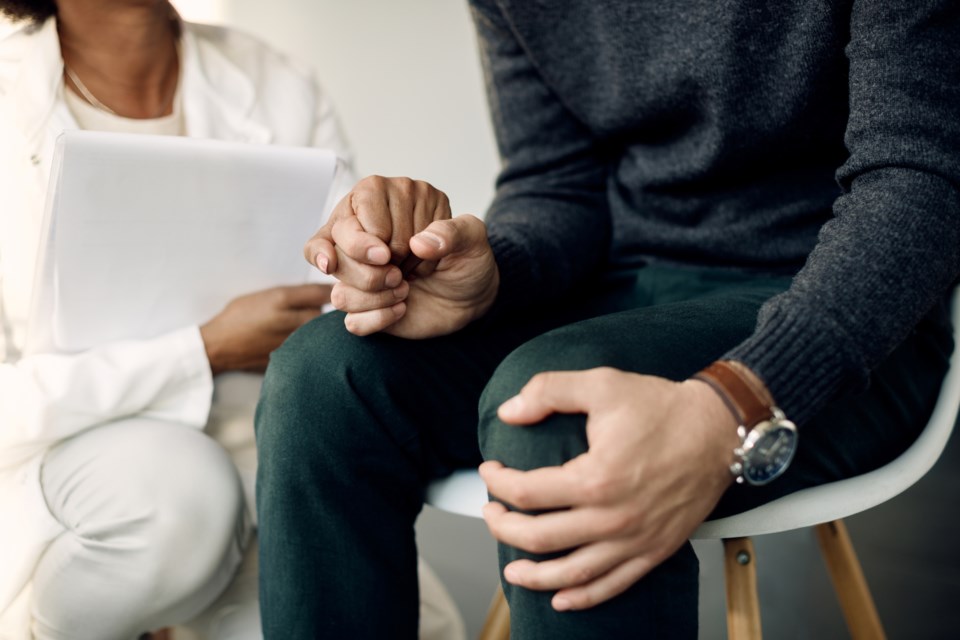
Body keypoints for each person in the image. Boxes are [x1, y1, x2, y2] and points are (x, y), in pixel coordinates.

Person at [254, 0, 960, 637]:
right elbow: (558, 182)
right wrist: (491, 273)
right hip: (623, 284)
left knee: (557, 412)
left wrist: (737, 403)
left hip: (849, 299)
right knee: (322, 374)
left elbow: (920, 179)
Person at [0, 2, 465, 639]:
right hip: (81, 482)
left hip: (260, 460)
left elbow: (351, 294)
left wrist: (385, 253)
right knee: (176, 500)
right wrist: (203, 350)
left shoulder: (273, 79)